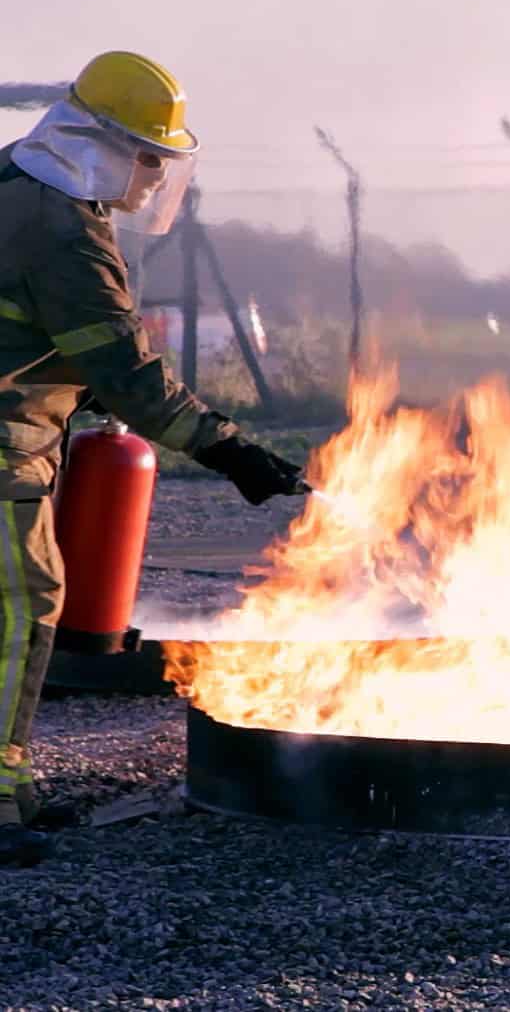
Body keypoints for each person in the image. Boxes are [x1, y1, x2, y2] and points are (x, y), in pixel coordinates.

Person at [0, 51, 306, 865]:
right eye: (152, 158)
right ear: (108, 146)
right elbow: (132, 374)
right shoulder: (65, 231)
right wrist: (230, 448)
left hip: (17, 431)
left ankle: (12, 788)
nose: (156, 179)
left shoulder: (18, 185)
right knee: (18, 609)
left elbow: (36, 335)